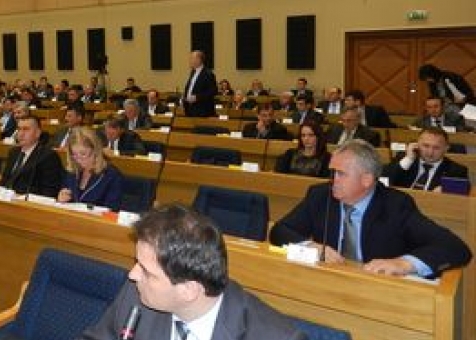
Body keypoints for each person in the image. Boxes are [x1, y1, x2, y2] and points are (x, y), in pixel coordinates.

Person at [78, 204, 305, 340]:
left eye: (147, 272)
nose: (133, 275)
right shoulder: (136, 294)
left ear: (189, 290)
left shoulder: (277, 337)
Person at [270, 140, 471, 277]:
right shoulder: (320, 195)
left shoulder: (396, 205)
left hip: (378, 291)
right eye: (332, 172)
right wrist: (309, 246)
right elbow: (280, 230)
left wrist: (404, 264)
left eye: (341, 174)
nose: (332, 180)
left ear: (367, 179)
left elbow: (456, 248)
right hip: (328, 280)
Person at [57, 128, 124, 211]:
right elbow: (66, 200)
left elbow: (112, 211)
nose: (78, 159)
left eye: (83, 154)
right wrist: (61, 200)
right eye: (74, 154)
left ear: (95, 151)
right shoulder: (72, 171)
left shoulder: (112, 175)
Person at [382, 127, 468, 191]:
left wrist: (447, 190)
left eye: (436, 148)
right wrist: (408, 159)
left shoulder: (456, 170)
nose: (430, 152)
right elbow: (383, 179)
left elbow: (463, 191)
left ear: (446, 148)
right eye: (426, 146)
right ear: (417, 144)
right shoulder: (404, 159)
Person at [0, 116, 64, 197]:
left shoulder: (48, 156)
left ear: (38, 133)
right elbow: (4, 180)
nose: (21, 134)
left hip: (28, 202)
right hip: (6, 198)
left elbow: (49, 192)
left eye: (26, 129)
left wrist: (20, 197)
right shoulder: (13, 152)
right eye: (19, 129)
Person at [182, 50, 218, 117]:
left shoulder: (208, 74)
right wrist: (184, 98)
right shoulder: (193, 72)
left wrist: (197, 97)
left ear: (198, 60)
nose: (190, 61)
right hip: (190, 110)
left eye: (192, 58)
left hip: (202, 111)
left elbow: (213, 91)